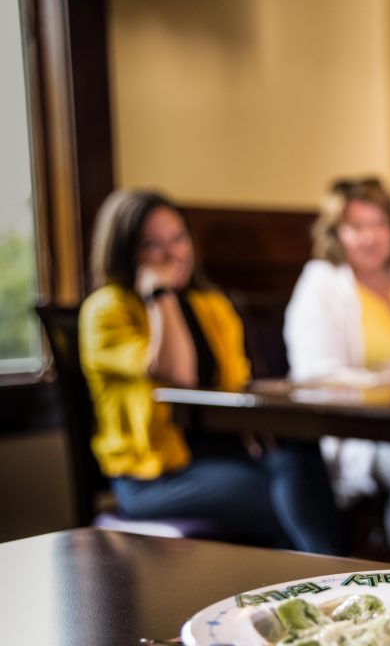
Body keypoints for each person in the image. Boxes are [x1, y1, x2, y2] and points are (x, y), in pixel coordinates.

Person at [79, 189, 343, 554]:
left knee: (301, 463)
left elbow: (237, 384)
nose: (173, 253)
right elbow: (178, 372)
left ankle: (319, 575)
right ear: (126, 251)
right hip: (154, 478)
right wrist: (159, 296)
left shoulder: (211, 304)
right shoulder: (106, 310)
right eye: (153, 245)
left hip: (225, 460)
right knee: (287, 497)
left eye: (179, 238)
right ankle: (329, 575)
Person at [284, 176, 390, 565]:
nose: (370, 237)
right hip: (362, 433)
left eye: (379, 224)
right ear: (336, 233)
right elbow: (317, 376)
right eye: (357, 227)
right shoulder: (322, 283)